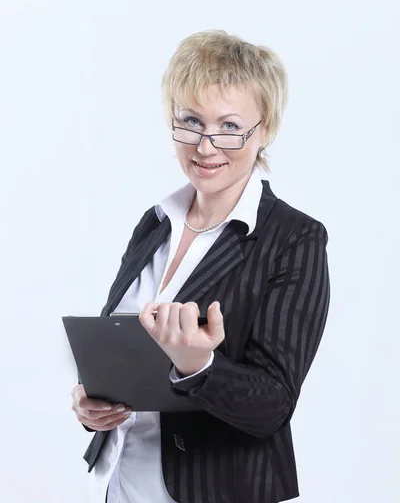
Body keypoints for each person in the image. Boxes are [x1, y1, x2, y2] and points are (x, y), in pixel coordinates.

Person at [71, 30, 330, 503]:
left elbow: (272, 405)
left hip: (212, 490)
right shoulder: (155, 223)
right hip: (118, 482)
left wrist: (199, 365)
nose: (206, 146)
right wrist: (91, 404)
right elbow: (120, 352)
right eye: (190, 121)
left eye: (230, 126)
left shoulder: (293, 239)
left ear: (264, 129)